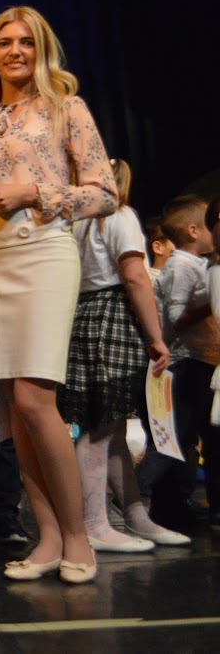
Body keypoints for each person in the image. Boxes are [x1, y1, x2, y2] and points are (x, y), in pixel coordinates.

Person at [0, 5, 116, 584]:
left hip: (44, 251)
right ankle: (48, 537)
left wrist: (36, 193)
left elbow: (104, 193)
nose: (16, 51)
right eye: (5, 42)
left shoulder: (66, 109)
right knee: (14, 409)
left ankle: (80, 537)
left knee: (34, 399)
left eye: (27, 41)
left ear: (42, 49)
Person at [56, 158, 189, 552]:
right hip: (111, 314)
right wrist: (156, 337)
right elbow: (134, 276)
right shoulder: (119, 215)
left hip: (82, 314)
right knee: (100, 427)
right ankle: (94, 523)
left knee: (111, 429)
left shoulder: (75, 222)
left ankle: (134, 516)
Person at [137, 195, 219, 533]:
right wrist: (210, 303)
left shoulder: (199, 265)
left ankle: (183, 508)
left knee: (204, 439)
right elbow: (175, 317)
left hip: (204, 362)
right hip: (186, 363)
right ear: (193, 231)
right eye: (210, 226)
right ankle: (134, 498)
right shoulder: (181, 265)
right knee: (174, 440)